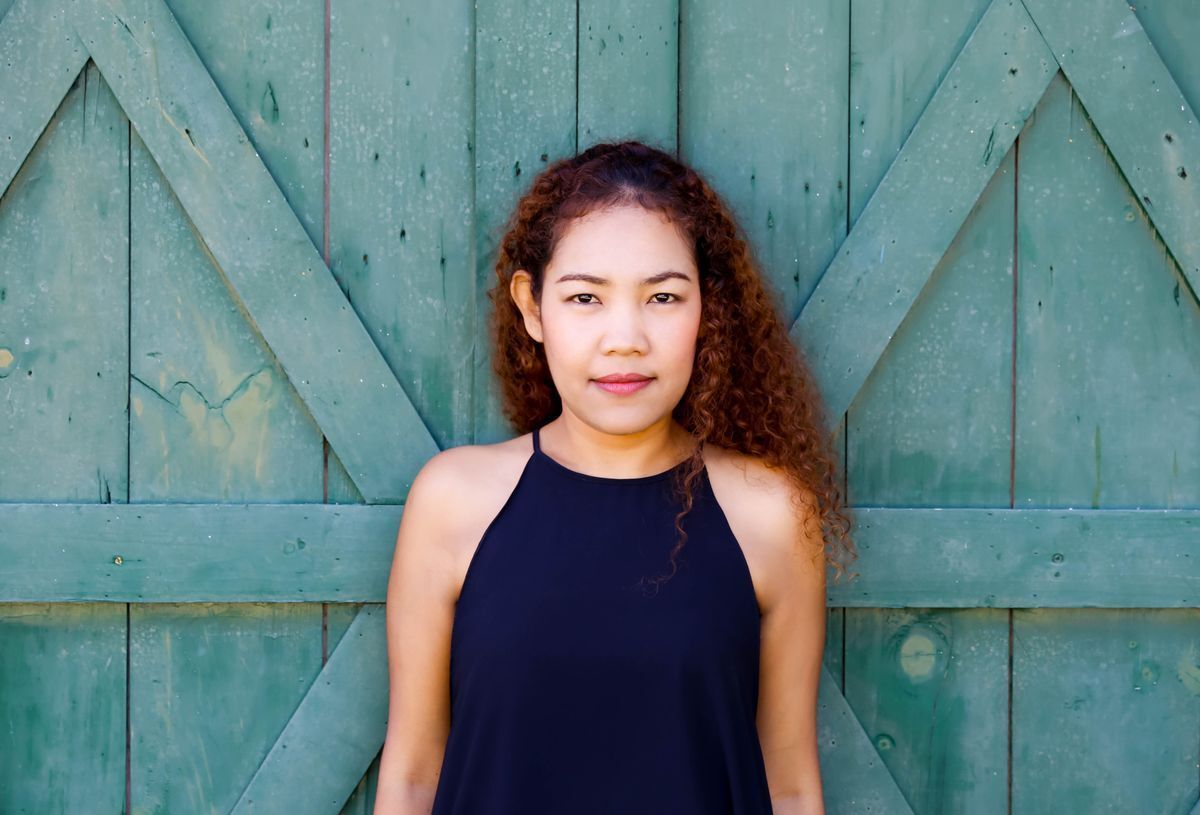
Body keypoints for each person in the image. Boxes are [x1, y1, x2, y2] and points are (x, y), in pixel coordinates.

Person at [373, 140, 857, 815]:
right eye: (584, 298)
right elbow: (413, 776)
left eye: (662, 295)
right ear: (532, 307)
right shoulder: (454, 503)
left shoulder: (770, 514)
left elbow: (791, 786)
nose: (624, 335)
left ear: (706, 311)